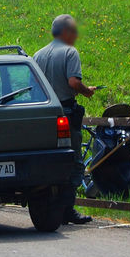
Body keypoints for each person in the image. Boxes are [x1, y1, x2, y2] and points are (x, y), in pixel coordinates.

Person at [34, 14, 96, 225]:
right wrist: (87, 91)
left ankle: (49, 207)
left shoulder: (38, 55)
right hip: (65, 116)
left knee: (50, 160)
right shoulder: (70, 52)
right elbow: (73, 82)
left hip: (43, 118)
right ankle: (66, 210)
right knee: (74, 162)